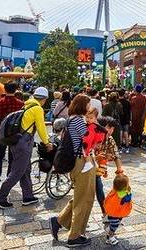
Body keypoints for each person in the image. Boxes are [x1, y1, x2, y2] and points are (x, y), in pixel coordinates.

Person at [0, 87, 53, 207]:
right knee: (18, 171)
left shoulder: (26, 105)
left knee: (25, 169)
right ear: (45, 99)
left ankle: (28, 196)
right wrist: (47, 143)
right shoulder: (37, 108)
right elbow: (41, 128)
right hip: (24, 143)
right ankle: (0, 197)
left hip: (17, 141)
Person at [50, 94, 96, 248]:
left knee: (83, 196)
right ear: (82, 105)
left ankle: (59, 221)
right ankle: (74, 237)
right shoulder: (78, 120)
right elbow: (88, 138)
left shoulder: (73, 119)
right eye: (88, 104)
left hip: (82, 161)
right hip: (81, 162)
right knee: (83, 199)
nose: (89, 106)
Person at [0, 81, 24, 189]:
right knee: (12, 158)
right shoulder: (20, 104)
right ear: (16, 90)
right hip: (15, 132)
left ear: (5, 89)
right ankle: (9, 180)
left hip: (1, 131)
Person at [95, 116, 124, 214]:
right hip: (87, 169)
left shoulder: (110, 139)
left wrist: (119, 171)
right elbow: (86, 155)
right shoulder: (94, 136)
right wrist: (96, 158)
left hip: (97, 170)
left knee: (99, 190)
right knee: (84, 196)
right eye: (109, 127)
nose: (111, 130)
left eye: (112, 128)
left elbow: (116, 155)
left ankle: (105, 213)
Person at [103, 173, 133, 246]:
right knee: (114, 226)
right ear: (125, 186)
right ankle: (110, 236)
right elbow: (129, 199)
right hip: (116, 214)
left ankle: (108, 224)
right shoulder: (123, 195)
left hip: (113, 212)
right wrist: (128, 191)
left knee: (116, 221)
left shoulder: (114, 191)